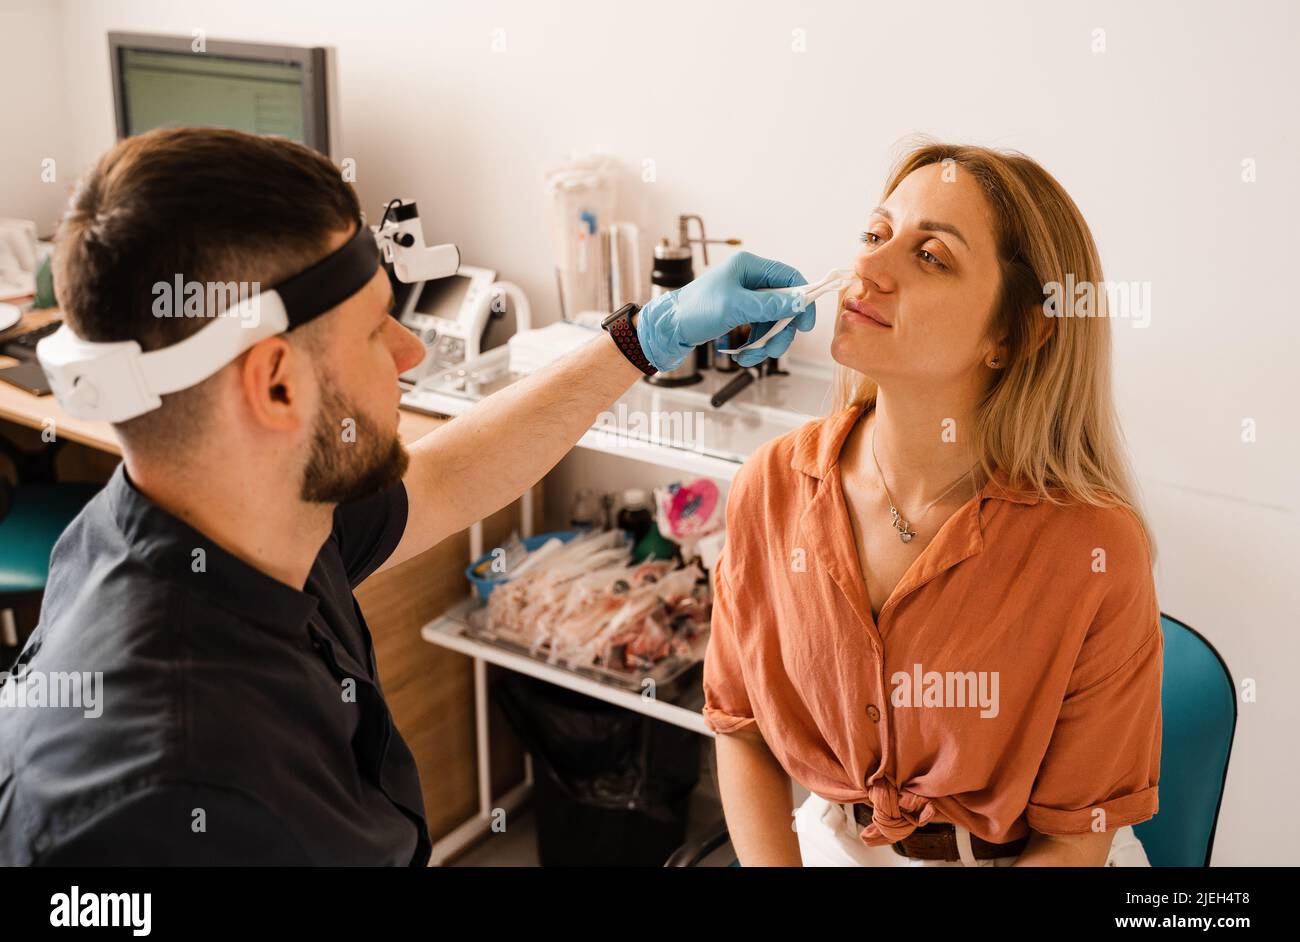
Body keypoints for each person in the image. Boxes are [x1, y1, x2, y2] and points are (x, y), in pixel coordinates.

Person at [0, 126, 813, 865]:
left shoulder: (223, 513)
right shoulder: (168, 798)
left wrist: (648, 336)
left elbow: (447, 475)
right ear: (275, 388)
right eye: (377, 328)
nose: (412, 352)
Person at [704, 142, 1162, 867]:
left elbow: (1078, 834)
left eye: (931, 258)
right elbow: (741, 726)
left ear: (1012, 335)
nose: (867, 270)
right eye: (876, 236)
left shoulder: (1096, 548)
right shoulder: (773, 485)